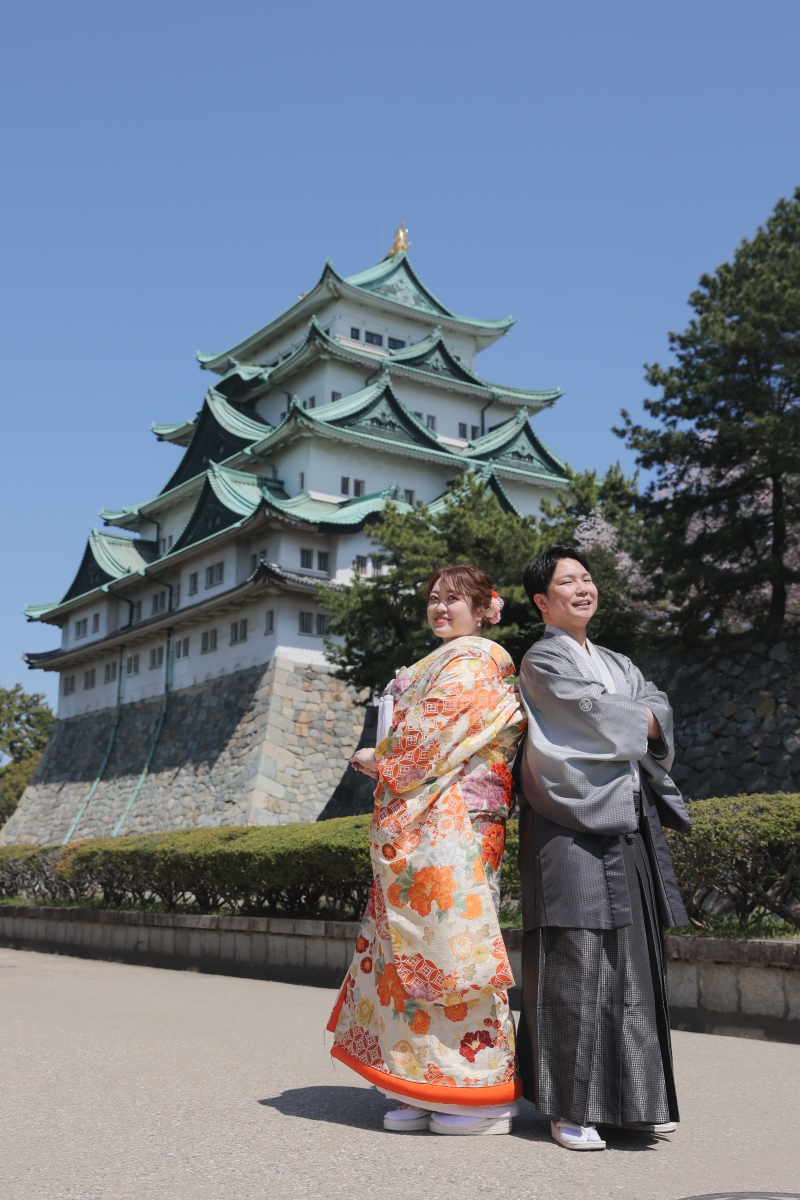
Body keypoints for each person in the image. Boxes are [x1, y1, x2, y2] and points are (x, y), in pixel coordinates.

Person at [327, 564, 526, 1135]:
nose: (441, 608)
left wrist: (376, 758)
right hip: (427, 821)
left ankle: (480, 1094)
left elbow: (425, 739)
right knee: (406, 948)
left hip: (458, 823)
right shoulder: (438, 661)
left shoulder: (479, 660)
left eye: (454, 600)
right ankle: (416, 1079)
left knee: (454, 950)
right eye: (434, 599)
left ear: (486, 607)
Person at [514, 545, 691, 1152]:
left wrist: (642, 717)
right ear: (543, 601)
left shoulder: (617, 661)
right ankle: (568, 1108)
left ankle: (631, 1104)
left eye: (587, 578)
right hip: (566, 823)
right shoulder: (540, 660)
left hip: (625, 818)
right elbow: (593, 716)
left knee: (633, 962)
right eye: (568, 581)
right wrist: (639, 718)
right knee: (575, 956)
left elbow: (658, 710)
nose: (583, 588)